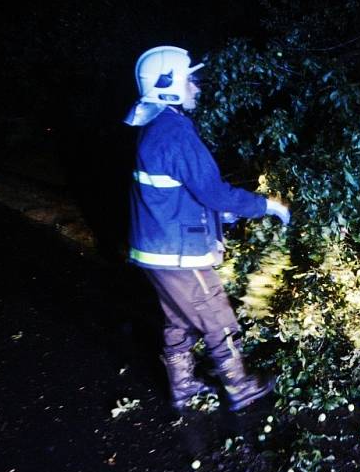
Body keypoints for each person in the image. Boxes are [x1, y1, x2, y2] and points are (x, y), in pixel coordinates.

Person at [124, 46, 291, 411]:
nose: (196, 87)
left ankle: (183, 388)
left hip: (155, 250)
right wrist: (267, 206)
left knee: (177, 318)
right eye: (190, 80)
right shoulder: (174, 133)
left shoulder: (157, 126)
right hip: (176, 253)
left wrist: (221, 217)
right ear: (168, 86)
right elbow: (212, 191)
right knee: (215, 313)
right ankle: (240, 386)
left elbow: (177, 192)